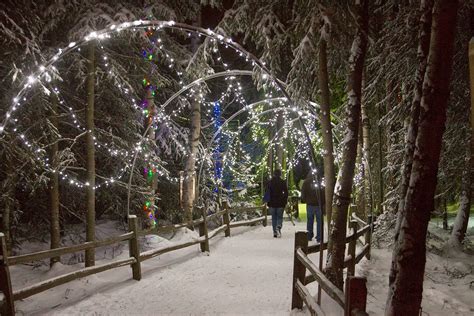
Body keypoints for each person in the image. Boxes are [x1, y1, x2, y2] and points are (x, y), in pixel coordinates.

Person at [301, 171, 325, 242]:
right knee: (320, 222)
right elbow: (324, 193)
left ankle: (309, 236)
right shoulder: (320, 182)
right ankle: (319, 237)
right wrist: (323, 202)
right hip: (319, 204)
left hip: (310, 204)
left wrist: (305, 200)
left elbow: (303, 192)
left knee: (310, 221)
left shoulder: (306, 182)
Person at [266, 169, 288, 238]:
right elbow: (286, 192)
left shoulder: (270, 182)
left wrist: (268, 202)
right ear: (280, 174)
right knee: (279, 217)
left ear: (274, 174)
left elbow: (267, 193)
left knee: (274, 218)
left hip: (272, 203)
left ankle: (275, 232)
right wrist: (284, 200)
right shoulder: (282, 182)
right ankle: (278, 226)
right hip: (280, 203)